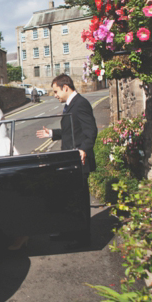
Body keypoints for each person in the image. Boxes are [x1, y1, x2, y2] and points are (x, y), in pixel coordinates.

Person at [34, 74, 98, 249]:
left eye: (56, 91)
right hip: (71, 160)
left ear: (65, 88)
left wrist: (84, 149)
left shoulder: (81, 104)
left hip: (79, 160)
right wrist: (52, 134)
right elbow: (72, 131)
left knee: (80, 200)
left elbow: (90, 131)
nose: (54, 95)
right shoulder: (71, 104)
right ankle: (69, 231)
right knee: (70, 198)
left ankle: (83, 239)